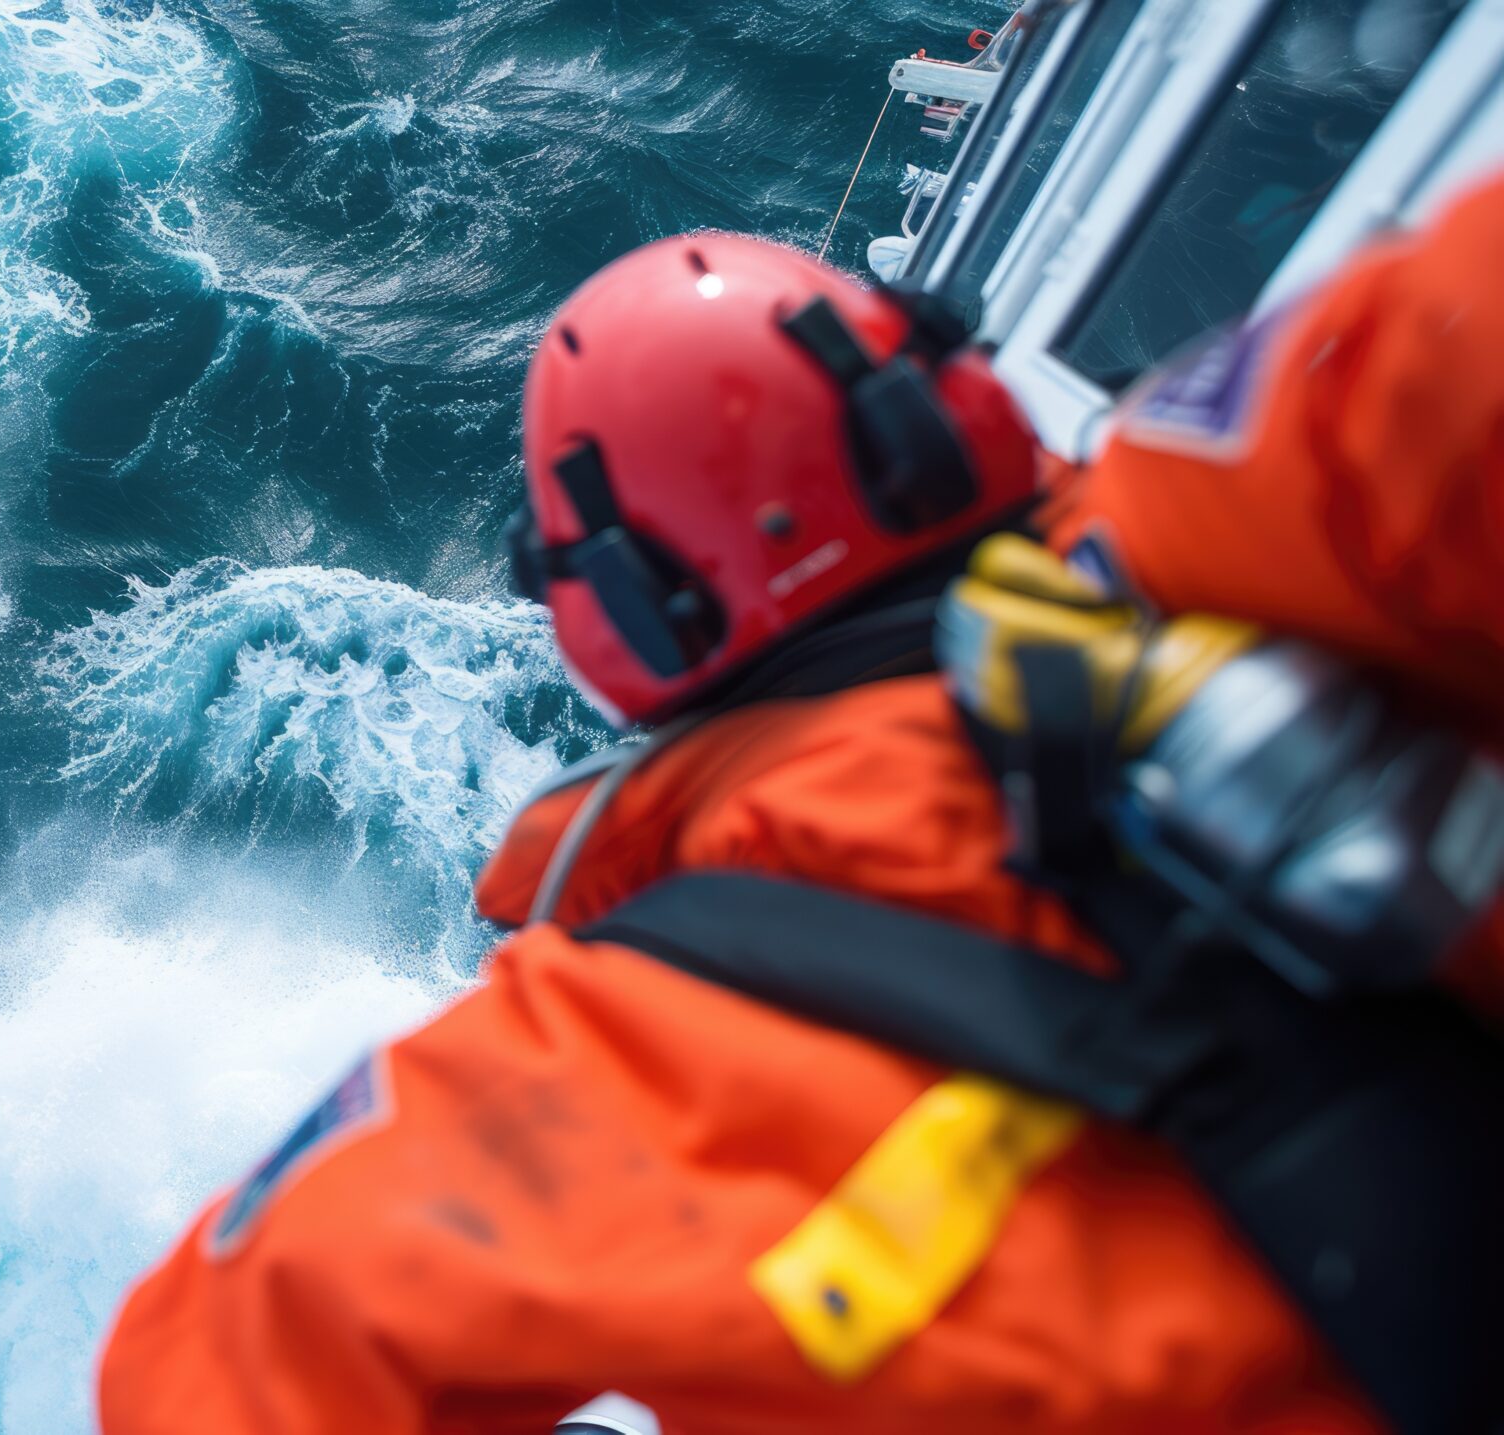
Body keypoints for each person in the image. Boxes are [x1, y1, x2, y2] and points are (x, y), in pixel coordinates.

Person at [96, 174, 1504, 1435]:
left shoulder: (617, 1042)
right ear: (945, 411)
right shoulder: (1259, 509)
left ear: (632, 624)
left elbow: (207, 1369)